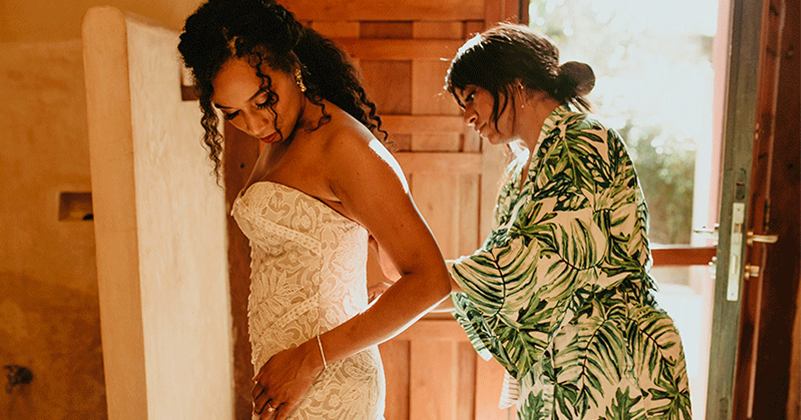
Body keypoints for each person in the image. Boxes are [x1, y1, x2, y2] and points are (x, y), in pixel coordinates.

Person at [177, 0, 452, 419]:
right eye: (233, 113)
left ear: (293, 66)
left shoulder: (342, 145)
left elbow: (430, 281)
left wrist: (307, 359)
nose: (254, 125)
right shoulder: (282, 135)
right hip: (289, 382)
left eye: (264, 100)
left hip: (327, 383)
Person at [441, 24, 692, 419]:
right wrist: (419, 279)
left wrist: (425, 275)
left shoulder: (585, 141)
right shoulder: (517, 175)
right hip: (555, 376)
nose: (467, 116)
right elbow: (498, 279)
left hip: (620, 365)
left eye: (472, 96)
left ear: (514, 81)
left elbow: (530, 262)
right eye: (461, 104)